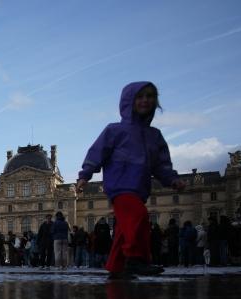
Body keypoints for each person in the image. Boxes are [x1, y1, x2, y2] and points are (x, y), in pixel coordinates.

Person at [76, 81, 186, 279]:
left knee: (124, 229)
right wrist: (85, 175)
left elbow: (162, 165)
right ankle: (136, 259)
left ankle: (116, 266)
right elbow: (96, 152)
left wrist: (172, 180)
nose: (145, 100)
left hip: (140, 188)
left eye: (150, 96)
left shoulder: (155, 135)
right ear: (129, 101)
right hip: (119, 186)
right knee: (139, 216)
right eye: (140, 96)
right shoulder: (114, 130)